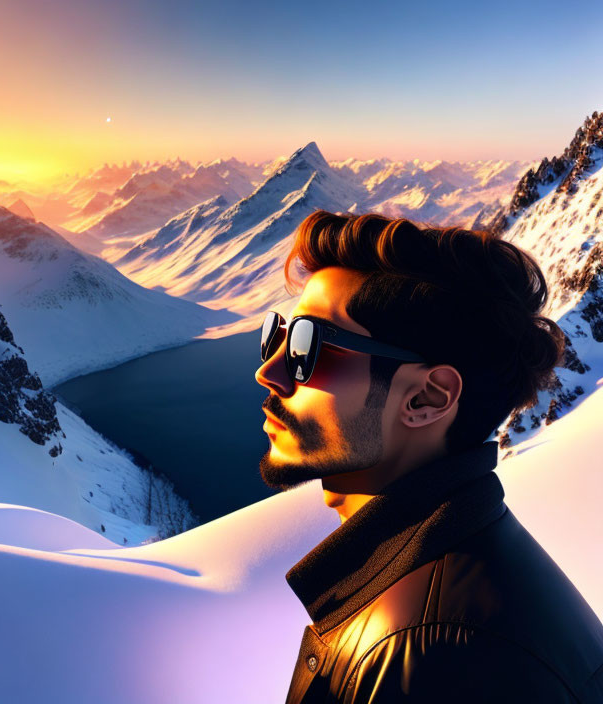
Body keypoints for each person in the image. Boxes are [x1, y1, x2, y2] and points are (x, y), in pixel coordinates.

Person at [255, 209, 603, 703]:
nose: (270, 372)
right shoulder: (451, 590)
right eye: (281, 334)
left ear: (427, 399)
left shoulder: (440, 658)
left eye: (309, 346)